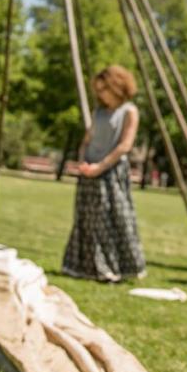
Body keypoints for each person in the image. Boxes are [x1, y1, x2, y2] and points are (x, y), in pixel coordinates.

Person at [62, 65, 146, 282]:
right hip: (89, 170)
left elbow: (125, 145)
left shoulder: (129, 111)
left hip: (111, 171)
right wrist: (83, 163)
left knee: (112, 220)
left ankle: (113, 266)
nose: (100, 94)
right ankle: (85, 266)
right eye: (98, 90)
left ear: (116, 87)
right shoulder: (98, 112)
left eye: (104, 89)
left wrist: (100, 167)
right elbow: (87, 140)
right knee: (87, 220)